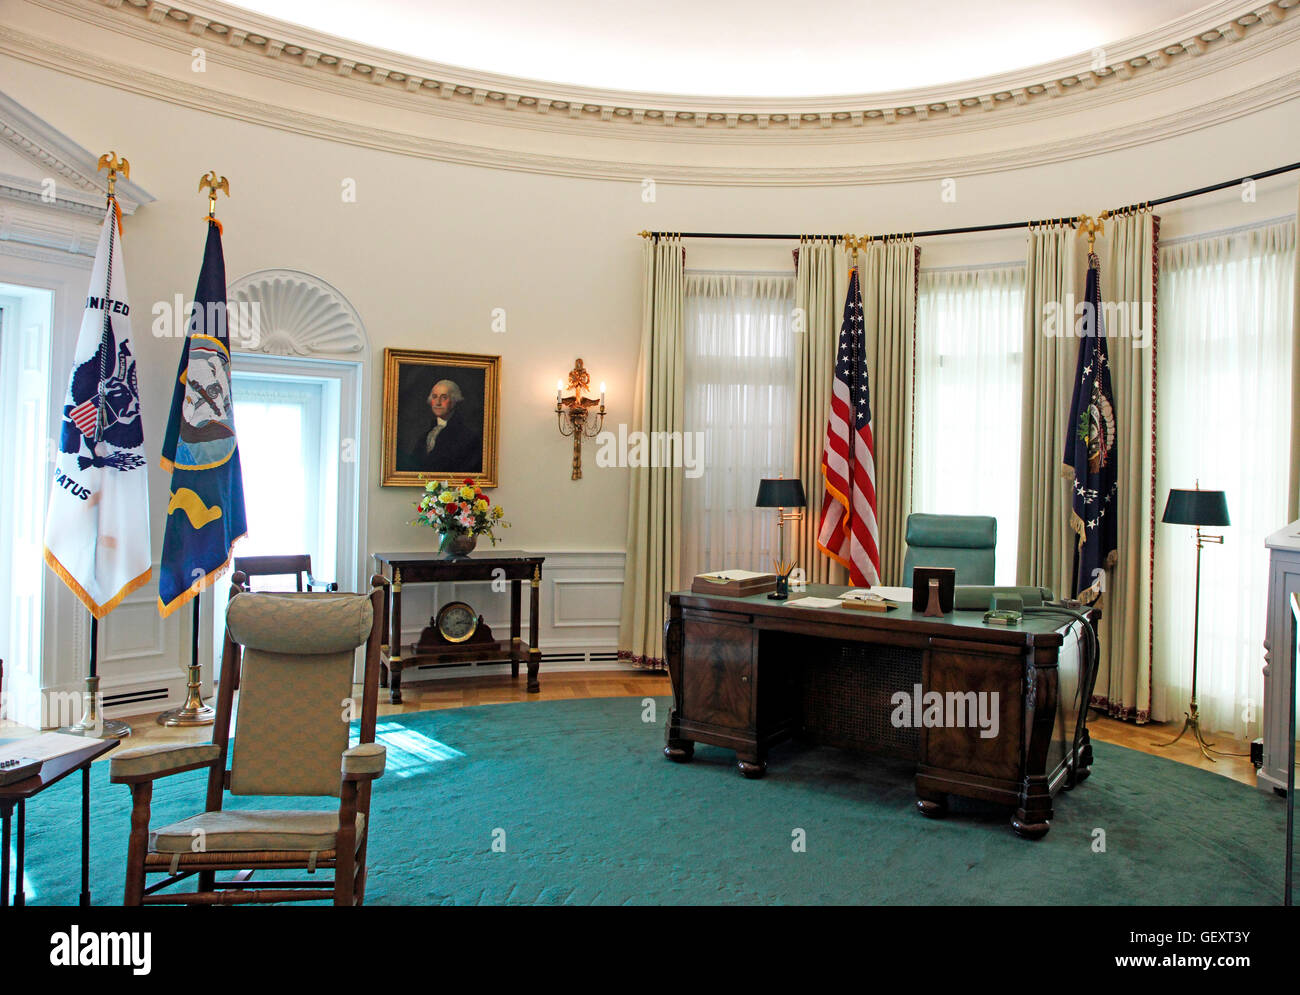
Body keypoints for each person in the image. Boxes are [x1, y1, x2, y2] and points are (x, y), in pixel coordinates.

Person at [408, 378, 482, 472]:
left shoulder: (467, 437)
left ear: (454, 400)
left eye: (444, 397)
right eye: (434, 397)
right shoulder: (425, 436)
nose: (438, 403)